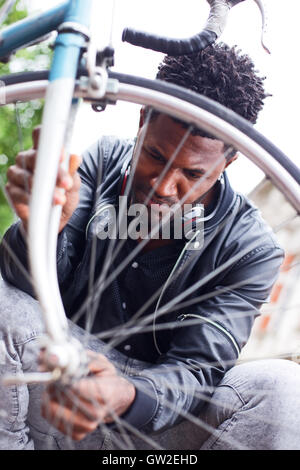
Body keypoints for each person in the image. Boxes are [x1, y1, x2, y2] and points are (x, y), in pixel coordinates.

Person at [1, 42, 300, 451]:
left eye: (192, 173)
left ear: (228, 163)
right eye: (155, 155)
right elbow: (22, 289)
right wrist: (45, 224)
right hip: (49, 386)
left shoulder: (252, 249)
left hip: (155, 427)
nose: (163, 185)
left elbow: (198, 369)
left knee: (282, 387)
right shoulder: (103, 160)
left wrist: (126, 393)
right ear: (142, 119)